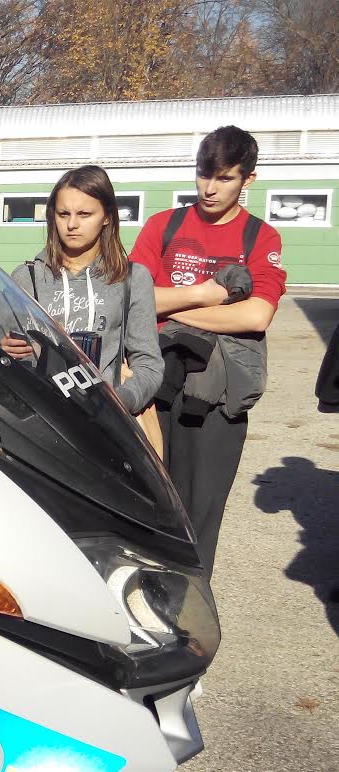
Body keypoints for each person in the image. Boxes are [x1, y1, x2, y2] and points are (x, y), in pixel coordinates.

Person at [128, 125, 286, 576]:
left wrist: (174, 306)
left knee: (199, 517)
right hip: (154, 381)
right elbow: (133, 297)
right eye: (203, 174)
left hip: (216, 394)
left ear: (248, 179)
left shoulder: (261, 237)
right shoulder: (163, 225)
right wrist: (205, 294)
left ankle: (189, 605)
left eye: (225, 178)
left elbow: (256, 316)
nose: (210, 188)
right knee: (145, 501)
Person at [0, 166, 162, 415]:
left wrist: (122, 401)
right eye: (63, 214)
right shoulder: (26, 277)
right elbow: (2, 360)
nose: (72, 224)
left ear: (107, 216)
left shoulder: (131, 278)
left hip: (105, 419)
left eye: (84, 214)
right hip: (41, 417)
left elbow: (149, 363)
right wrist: (5, 353)